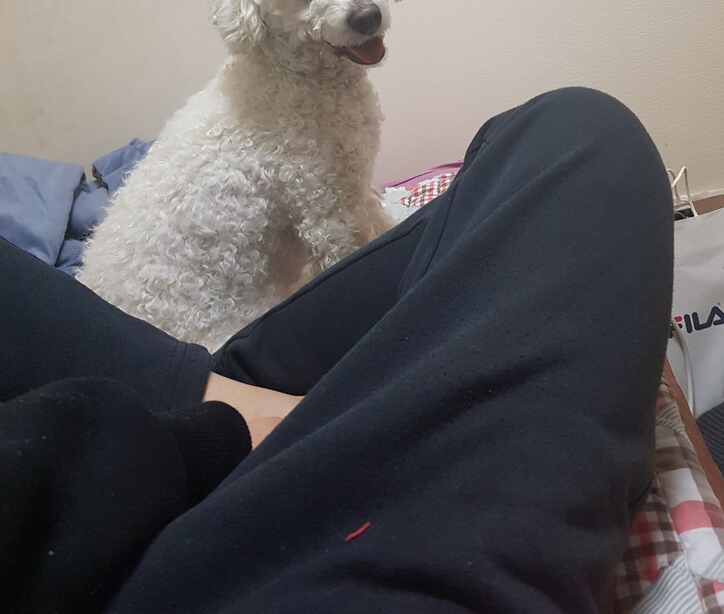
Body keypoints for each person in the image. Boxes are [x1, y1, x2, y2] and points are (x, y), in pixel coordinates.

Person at [0, 88, 673, 614]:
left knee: (572, 130)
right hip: (197, 552)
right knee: (591, 160)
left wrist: (222, 400)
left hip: (170, 432)